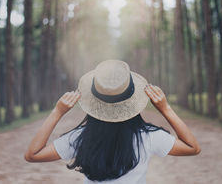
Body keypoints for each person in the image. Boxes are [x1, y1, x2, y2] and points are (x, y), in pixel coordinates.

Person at [24, 59, 200, 183]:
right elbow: (193, 148)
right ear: (133, 99)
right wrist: (165, 108)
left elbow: (32, 155)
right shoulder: (148, 137)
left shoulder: (81, 138)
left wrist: (58, 111)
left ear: (93, 101)